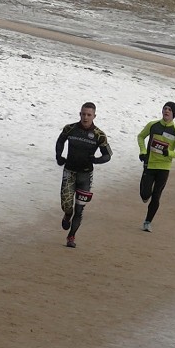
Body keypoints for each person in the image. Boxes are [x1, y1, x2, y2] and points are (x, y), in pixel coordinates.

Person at [54, 102, 112, 248]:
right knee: (67, 205)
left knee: (79, 209)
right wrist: (58, 156)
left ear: (94, 116)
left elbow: (107, 155)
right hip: (70, 172)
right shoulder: (70, 128)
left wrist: (96, 160)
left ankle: (71, 237)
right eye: (83, 114)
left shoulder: (99, 135)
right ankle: (67, 214)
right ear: (79, 114)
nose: (85, 117)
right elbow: (60, 141)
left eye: (89, 115)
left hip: (85, 176)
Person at [137, 102, 175, 232]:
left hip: (164, 167)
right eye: (165, 108)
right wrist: (143, 151)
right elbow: (141, 136)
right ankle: (145, 195)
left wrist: (168, 153)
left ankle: (148, 222)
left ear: (174, 114)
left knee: (157, 195)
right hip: (150, 164)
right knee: (144, 194)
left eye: (169, 110)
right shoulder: (153, 125)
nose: (166, 111)